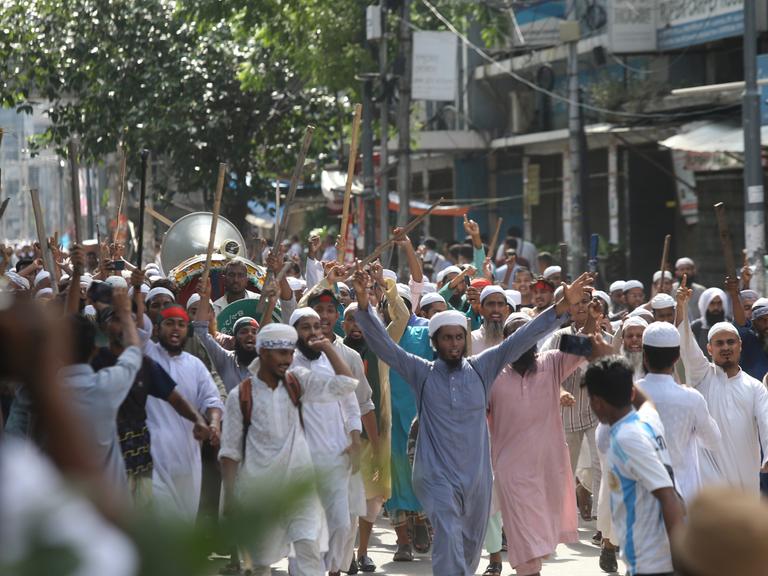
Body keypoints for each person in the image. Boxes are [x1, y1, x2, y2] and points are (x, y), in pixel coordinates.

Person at [352, 267, 591, 575]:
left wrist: (560, 308)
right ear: (434, 342)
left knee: (468, 548)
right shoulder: (421, 373)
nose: (453, 344)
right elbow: (386, 347)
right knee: (449, 534)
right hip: (436, 476)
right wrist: (362, 301)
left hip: (477, 477)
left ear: (465, 341)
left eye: (458, 338)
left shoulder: (482, 368)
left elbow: (521, 339)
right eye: (446, 339)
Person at [219, 323, 358, 576]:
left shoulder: (298, 382)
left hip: (299, 492)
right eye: (281, 353)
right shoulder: (240, 396)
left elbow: (346, 384)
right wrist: (230, 499)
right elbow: (229, 452)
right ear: (263, 353)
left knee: (308, 554)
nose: (288, 359)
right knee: (259, 565)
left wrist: (327, 346)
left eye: (290, 352)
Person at [488, 313, 612, 576]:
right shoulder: (493, 375)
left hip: (548, 466)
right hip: (511, 469)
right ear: (507, 342)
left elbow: (583, 343)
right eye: (516, 337)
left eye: (528, 336)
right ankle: (529, 571)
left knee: (541, 532)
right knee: (523, 532)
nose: (523, 344)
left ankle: (531, 570)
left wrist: (587, 316)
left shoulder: (551, 362)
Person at [92, 304, 211, 505]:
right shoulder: (94, 361)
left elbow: (176, 399)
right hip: (105, 456)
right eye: (116, 319)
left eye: (127, 320)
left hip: (139, 459)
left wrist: (198, 419)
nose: (123, 325)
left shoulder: (145, 364)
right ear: (104, 327)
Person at [584, 356, 685, 576]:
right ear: (630, 392)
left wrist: (681, 566)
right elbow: (647, 403)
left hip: (653, 564)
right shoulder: (647, 421)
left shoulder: (626, 439)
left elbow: (668, 497)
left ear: (596, 402)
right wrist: (608, 359)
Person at [288, 306, 366, 576]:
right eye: (305, 327)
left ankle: (332, 570)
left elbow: (351, 403)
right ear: (294, 332)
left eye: (316, 326)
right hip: (300, 460)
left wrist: (356, 441)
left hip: (336, 455)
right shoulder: (288, 364)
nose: (312, 332)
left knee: (341, 525)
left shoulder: (331, 363)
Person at [677, 283, 768, 493]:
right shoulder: (702, 375)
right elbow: (686, 342)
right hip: (709, 480)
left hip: (745, 476)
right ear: (709, 348)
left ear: (740, 346)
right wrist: (681, 306)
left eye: (730, 342)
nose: (726, 347)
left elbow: (765, 419)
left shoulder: (754, 387)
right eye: (719, 343)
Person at [143, 304, 224, 520]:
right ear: (157, 329)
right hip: (153, 454)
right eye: (169, 324)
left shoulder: (195, 365)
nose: (175, 329)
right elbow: (138, 327)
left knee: (185, 521)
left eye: (181, 324)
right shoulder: (147, 355)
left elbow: (212, 400)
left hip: (188, 454)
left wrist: (214, 425)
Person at [60, 290, 142, 495]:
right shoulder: (105, 387)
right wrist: (125, 313)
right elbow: (134, 352)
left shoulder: (44, 391)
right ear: (95, 350)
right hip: (107, 503)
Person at [635, 322, 721, 503]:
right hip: (682, 496)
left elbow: (604, 441)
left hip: (640, 495)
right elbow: (713, 441)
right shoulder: (691, 398)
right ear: (676, 358)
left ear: (644, 356)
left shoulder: (630, 394)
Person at [726, 282, 768, 382]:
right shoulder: (748, 338)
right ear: (754, 322)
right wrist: (735, 296)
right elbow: (740, 323)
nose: (766, 323)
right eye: (761, 319)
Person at [689, 287, 729, 356]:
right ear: (705, 305)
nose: (716, 307)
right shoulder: (696, 327)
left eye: (719, 303)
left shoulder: (729, 327)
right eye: (712, 303)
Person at [673, 257, 707, 322]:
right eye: (682, 269)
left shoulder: (701, 290)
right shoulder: (671, 290)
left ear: (694, 271)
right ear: (676, 272)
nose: (685, 272)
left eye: (688, 269)